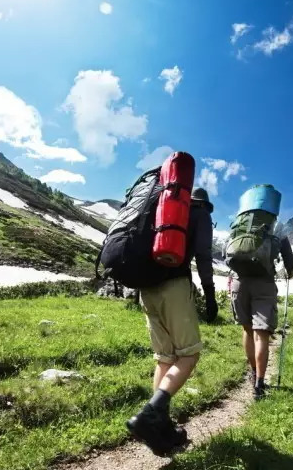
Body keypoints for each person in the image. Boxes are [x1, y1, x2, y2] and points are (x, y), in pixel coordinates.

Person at [126, 187, 218, 455]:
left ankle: (160, 429)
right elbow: (202, 255)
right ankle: (151, 415)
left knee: (165, 358)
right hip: (174, 287)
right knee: (189, 356)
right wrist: (210, 294)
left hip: (147, 289)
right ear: (205, 204)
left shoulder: (159, 206)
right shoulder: (199, 213)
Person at [228, 207, 293, 400]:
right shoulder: (277, 226)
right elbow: (289, 258)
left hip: (239, 282)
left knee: (248, 330)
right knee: (261, 334)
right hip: (264, 283)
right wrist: (289, 272)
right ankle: (259, 383)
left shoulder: (241, 224)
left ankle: (252, 371)